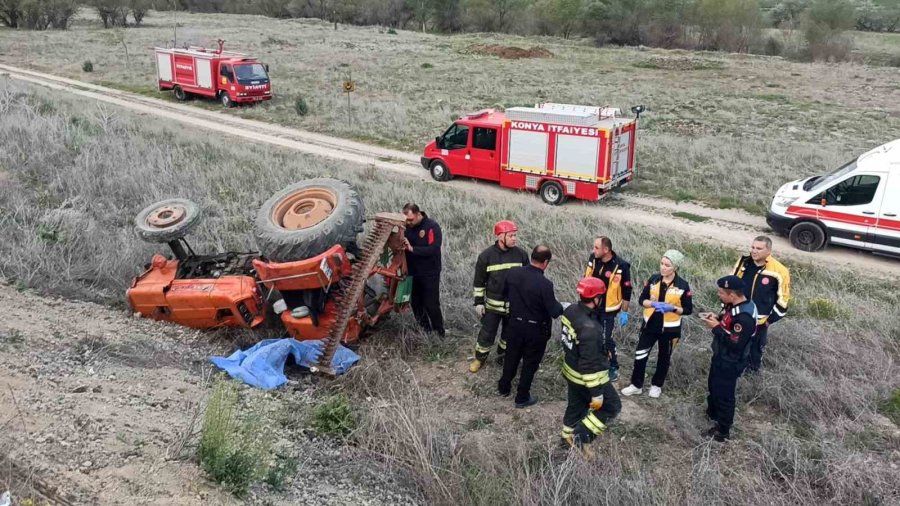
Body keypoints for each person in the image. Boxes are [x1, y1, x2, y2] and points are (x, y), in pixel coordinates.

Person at [560, 277, 621, 456]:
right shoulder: (590, 328)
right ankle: (581, 437)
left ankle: (566, 438)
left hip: (570, 370)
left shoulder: (571, 310)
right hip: (586, 378)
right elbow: (589, 365)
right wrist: (596, 394)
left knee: (575, 406)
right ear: (595, 298)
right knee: (612, 406)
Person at [498, 245, 564, 408]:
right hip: (535, 330)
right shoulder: (545, 284)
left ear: (531, 256)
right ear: (546, 262)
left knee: (511, 357)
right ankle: (522, 397)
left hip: (513, 325)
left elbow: (504, 294)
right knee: (530, 363)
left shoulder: (513, 273)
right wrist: (563, 306)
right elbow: (554, 311)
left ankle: (504, 387)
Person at [621, 250, 693, 399]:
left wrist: (672, 308)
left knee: (664, 358)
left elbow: (688, 309)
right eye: (662, 264)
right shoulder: (654, 279)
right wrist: (653, 303)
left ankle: (656, 385)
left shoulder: (683, 285)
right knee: (640, 355)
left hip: (670, 329)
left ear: (675, 267)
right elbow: (642, 300)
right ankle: (636, 385)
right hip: (650, 324)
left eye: (667, 265)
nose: (663, 267)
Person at [700, 275, 758, 442]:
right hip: (721, 356)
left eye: (721, 293)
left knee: (724, 395)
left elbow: (735, 343)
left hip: (731, 360)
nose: (719, 295)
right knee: (713, 386)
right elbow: (728, 321)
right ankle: (713, 413)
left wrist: (716, 328)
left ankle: (722, 430)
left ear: (732, 295)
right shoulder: (735, 306)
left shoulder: (745, 317)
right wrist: (718, 318)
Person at [469, 220, 530, 373]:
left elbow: (528, 279)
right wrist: (478, 302)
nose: (515, 238)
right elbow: (479, 282)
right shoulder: (486, 256)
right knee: (487, 334)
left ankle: (502, 357)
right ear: (500, 236)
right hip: (492, 307)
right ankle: (479, 359)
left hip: (514, 307)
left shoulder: (521, 255)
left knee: (509, 335)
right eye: (511, 236)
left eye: (515, 235)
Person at [731, 236, 791, 373]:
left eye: (759, 248)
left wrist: (769, 321)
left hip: (761, 320)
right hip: (739, 315)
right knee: (735, 344)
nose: (754, 251)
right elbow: (731, 286)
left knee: (755, 349)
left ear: (768, 250)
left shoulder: (779, 271)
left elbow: (784, 299)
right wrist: (726, 308)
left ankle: (752, 374)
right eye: (752, 247)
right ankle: (734, 370)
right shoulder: (743, 263)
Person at [583, 236, 632, 381]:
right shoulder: (593, 258)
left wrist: (624, 311)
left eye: (596, 248)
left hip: (608, 309)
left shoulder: (621, 266)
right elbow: (586, 277)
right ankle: (594, 363)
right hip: (591, 306)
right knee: (591, 336)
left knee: (605, 338)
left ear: (606, 250)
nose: (593, 250)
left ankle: (612, 366)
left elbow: (627, 289)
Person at [402, 203, 445, 337]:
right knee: (416, 303)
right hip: (413, 272)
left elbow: (433, 248)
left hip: (429, 272)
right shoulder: (406, 228)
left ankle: (439, 332)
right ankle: (425, 330)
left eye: (411, 219)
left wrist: (413, 249)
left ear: (418, 214)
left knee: (431, 304)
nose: (408, 223)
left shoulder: (431, 227)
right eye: (406, 220)